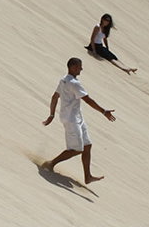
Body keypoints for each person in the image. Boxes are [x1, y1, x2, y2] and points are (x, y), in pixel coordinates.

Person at [42, 57, 116, 185]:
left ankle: (88, 176)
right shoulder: (74, 83)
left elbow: (55, 97)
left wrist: (52, 114)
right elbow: (87, 100)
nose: (81, 69)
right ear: (72, 67)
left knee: (87, 145)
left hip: (77, 117)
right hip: (71, 120)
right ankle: (51, 163)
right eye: (79, 66)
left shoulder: (64, 80)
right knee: (77, 149)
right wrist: (104, 111)